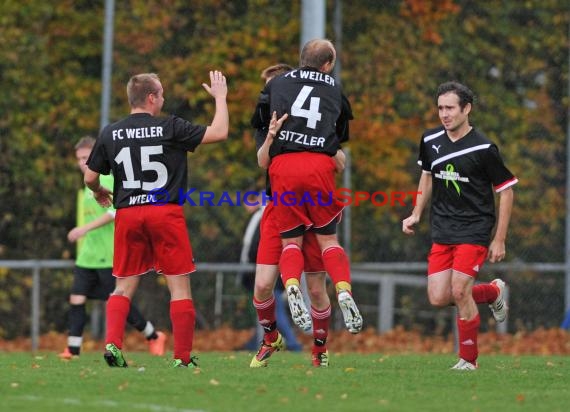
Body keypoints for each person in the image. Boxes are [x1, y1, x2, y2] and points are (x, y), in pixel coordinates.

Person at [84, 70, 228, 368]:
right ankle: (183, 358)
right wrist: (221, 99)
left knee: (123, 285)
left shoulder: (111, 132)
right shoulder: (170, 127)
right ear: (151, 98)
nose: (163, 99)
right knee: (179, 287)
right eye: (161, 94)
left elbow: (90, 176)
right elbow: (219, 132)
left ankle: (112, 343)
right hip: (164, 212)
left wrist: (99, 191)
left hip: (128, 213)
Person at [402, 81, 517, 370]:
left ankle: (468, 359)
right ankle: (492, 292)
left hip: (475, 229)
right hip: (442, 228)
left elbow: (506, 190)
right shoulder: (430, 141)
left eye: (450, 108)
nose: (444, 114)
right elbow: (427, 176)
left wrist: (499, 238)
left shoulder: (484, 147)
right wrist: (416, 213)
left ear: (467, 109)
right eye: (440, 108)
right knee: (439, 296)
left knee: (459, 290)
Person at [249, 62, 352, 368]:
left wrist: (319, 144)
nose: (268, 94)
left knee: (317, 289)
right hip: (279, 208)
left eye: (272, 87)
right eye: (266, 87)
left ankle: (320, 350)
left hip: (311, 204)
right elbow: (262, 162)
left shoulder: (312, 120)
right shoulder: (265, 121)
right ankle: (271, 338)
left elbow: (341, 161)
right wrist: (271, 137)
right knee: (262, 285)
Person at [258, 40, 363, 336]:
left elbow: (264, 160)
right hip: (318, 170)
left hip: (285, 173)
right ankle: (344, 290)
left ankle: (291, 287)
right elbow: (339, 146)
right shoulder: (333, 89)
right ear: (328, 65)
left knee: (291, 247)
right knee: (329, 241)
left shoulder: (277, 94)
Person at [59, 136, 166, 359]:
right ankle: (73, 349)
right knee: (76, 299)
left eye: (86, 158)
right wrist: (83, 235)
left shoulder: (105, 179)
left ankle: (153, 335)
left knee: (118, 302)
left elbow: (115, 211)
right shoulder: (85, 187)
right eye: (79, 159)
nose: (82, 163)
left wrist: (84, 229)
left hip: (108, 255)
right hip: (86, 256)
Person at [238, 190, 302, 353]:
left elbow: (259, 245)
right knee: (263, 306)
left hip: (266, 269)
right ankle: (256, 342)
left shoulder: (265, 216)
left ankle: (293, 344)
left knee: (274, 307)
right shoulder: (258, 217)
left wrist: (254, 262)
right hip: (259, 268)